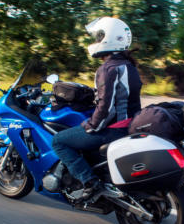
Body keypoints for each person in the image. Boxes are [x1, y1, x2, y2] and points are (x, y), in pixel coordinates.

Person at [52, 17, 143, 199]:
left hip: (113, 130)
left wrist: (91, 125)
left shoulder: (108, 69)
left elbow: (106, 109)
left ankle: (89, 182)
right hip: (130, 125)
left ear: (108, 38)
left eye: (98, 37)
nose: (95, 41)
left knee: (59, 141)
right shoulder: (129, 66)